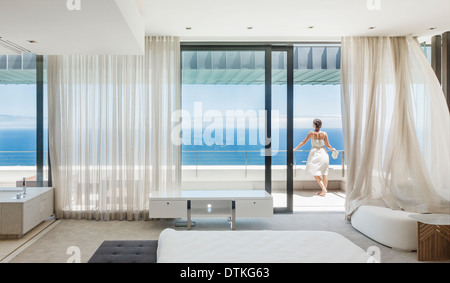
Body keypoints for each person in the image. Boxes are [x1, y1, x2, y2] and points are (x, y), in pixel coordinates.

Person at [294, 119, 335, 197]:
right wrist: (333, 149)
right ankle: (323, 191)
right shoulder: (324, 134)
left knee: (313, 171)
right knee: (324, 173)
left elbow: (303, 142)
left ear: (314, 125)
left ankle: (324, 189)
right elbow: (328, 145)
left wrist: (295, 148)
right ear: (320, 125)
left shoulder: (311, 133)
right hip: (323, 153)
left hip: (315, 154)